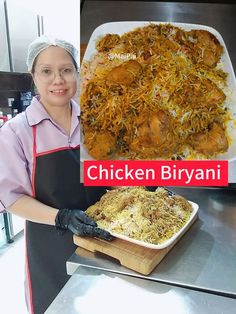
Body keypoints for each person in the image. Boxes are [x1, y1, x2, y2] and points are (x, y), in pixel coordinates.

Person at [0, 36, 112, 314]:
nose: (58, 80)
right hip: (51, 248)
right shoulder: (16, 132)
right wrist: (62, 217)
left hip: (106, 239)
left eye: (66, 70)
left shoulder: (96, 121)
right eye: (47, 71)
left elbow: (109, 175)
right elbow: (11, 199)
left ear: (77, 73)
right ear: (33, 76)